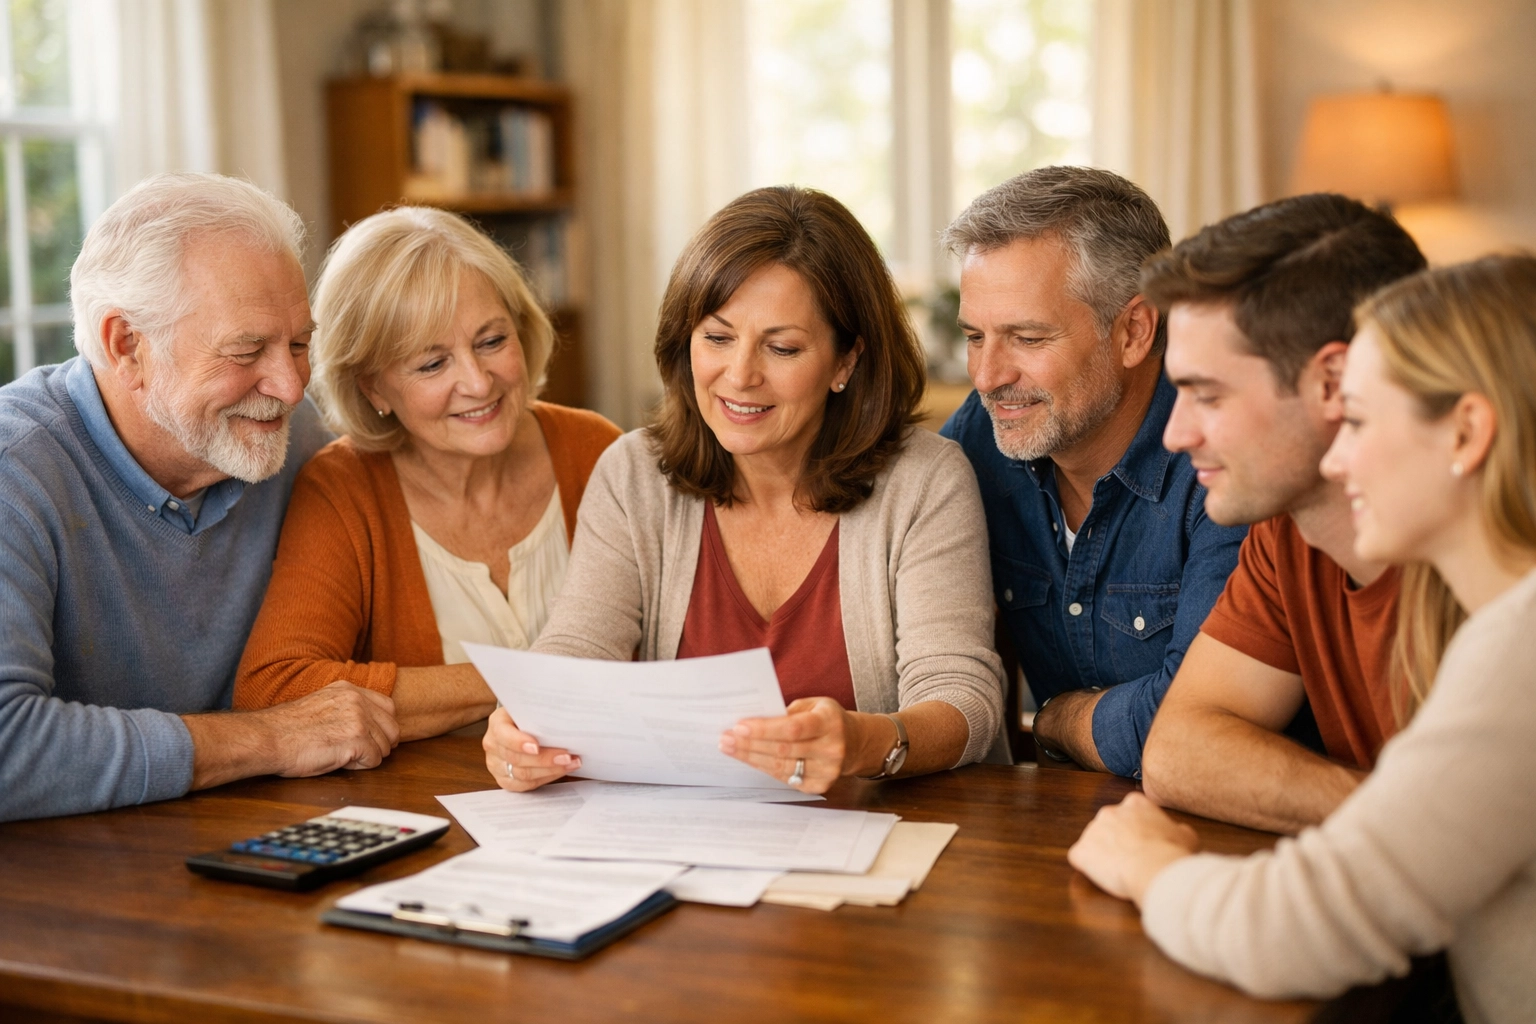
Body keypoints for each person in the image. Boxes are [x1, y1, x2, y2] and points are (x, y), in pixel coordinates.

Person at [1068, 254, 1536, 1023]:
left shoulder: (1516, 652)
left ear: (1466, 431)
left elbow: (1292, 929)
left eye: (1357, 421)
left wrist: (1152, 866)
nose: (1338, 455)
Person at [482, 186, 1006, 794]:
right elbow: (578, 646)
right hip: (689, 836)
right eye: (717, 337)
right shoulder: (633, 474)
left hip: (883, 835)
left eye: (782, 348)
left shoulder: (925, 481)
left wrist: (865, 741)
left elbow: (963, 697)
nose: (740, 376)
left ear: (846, 362)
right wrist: (525, 725)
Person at [0, 172, 401, 823]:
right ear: (126, 345)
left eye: (300, 344)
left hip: (247, 838)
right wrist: (272, 737)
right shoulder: (15, 474)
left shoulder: (293, 442)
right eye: (246, 350)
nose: (291, 387)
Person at [234, 207, 620, 740]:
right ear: (373, 387)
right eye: (432, 364)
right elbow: (277, 688)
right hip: (433, 809)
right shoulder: (344, 489)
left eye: (491, 341)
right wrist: (529, 680)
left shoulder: (596, 451)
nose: (479, 383)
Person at [939, 166, 1247, 776]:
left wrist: (1053, 720)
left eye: (1026, 337)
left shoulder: (1223, 461)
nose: (987, 376)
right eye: (975, 336)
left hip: (1227, 838)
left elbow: (1192, 727)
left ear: (1133, 330)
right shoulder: (980, 436)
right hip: (1057, 831)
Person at [1137, 195, 1427, 834]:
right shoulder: (1289, 529)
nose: (1175, 434)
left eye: (1206, 395)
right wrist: (1414, 825)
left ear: (1333, 383)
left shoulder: (1479, 556)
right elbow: (1177, 750)